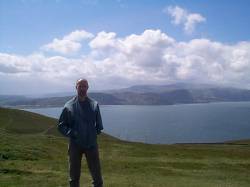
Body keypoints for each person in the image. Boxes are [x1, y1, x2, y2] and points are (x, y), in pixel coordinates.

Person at [58, 78, 103, 187]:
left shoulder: (94, 105)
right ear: (76, 88)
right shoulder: (69, 106)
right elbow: (61, 125)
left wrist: (91, 135)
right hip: (75, 145)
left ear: (88, 88)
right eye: (80, 86)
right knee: (73, 177)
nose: (82, 88)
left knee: (97, 177)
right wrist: (72, 133)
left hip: (91, 145)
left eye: (84, 86)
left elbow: (99, 126)